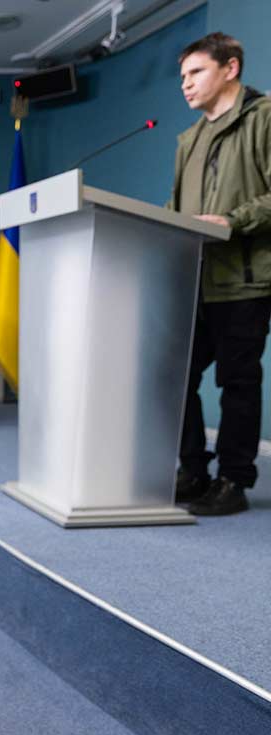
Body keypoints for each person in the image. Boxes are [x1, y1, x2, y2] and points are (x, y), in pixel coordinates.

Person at [171, 32, 271, 516]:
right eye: (182, 77)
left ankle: (234, 481)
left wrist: (234, 220)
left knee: (238, 381)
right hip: (195, 278)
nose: (185, 85)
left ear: (230, 68)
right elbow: (176, 210)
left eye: (195, 73)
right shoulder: (188, 140)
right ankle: (193, 471)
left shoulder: (265, 118)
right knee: (175, 374)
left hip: (245, 279)